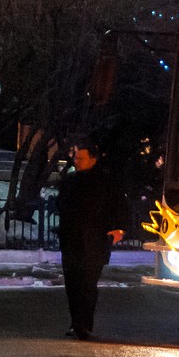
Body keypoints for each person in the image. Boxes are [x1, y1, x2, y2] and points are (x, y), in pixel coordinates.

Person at [56, 141, 126, 340]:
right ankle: (76, 322)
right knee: (72, 283)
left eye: (80, 158)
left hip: (94, 241)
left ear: (93, 160)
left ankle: (84, 324)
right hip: (71, 239)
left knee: (87, 283)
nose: (76, 162)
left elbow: (118, 207)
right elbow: (60, 203)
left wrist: (118, 229)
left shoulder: (106, 182)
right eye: (75, 158)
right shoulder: (70, 180)